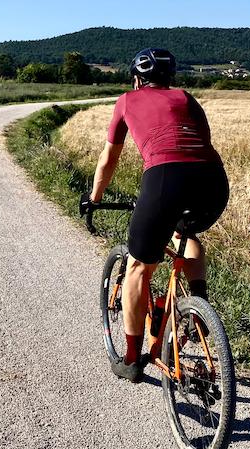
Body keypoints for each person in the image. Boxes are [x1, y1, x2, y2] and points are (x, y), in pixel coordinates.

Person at [83, 48, 229, 383]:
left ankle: (132, 360)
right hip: (213, 182)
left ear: (137, 79)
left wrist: (94, 198)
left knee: (138, 266)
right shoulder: (186, 98)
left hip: (165, 179)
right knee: (184, 234)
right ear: (169, 78)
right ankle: (198, 308)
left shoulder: (126, 100)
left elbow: (109, 159)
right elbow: (197, 144)